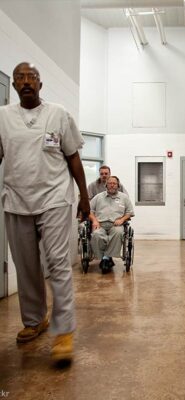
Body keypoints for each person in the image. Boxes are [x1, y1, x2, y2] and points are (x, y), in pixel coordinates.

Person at [0, 62, 90, 362]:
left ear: (41, 84)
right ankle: (34, 320)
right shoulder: (2, 118)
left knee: (58, 263)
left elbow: (73, 157)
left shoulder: (58, 114)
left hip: (54, 198)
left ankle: (63, 331)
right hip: (16, 199)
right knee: (25, 265)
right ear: (13, 86)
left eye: (32, 77)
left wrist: (84, 197)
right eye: (20, 78)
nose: (26, 82)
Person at [90, 176, 134, 274]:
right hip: (100, 224)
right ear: (106, 185)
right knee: (96, 235)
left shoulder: (124, 197)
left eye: (114, 183)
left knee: (118, 233)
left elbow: (130, 212)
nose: (112, 185)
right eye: (110, 183)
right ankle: (106, 258)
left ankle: (105, 258)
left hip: (116, 224)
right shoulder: (98, 197)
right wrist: (94, 220)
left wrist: (122, 219)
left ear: (118, 185)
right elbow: (90, 211)